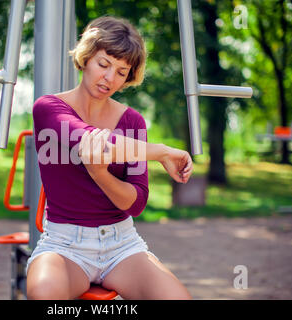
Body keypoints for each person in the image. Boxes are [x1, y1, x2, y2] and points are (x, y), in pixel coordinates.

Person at [27, 16, 193, 300]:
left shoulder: (133, 122)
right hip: (64, 245)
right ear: (87, 58)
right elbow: (96, 142)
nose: (109, 78)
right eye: (103, 64)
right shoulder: (49, 108)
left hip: (122, 245)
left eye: (121, 71)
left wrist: (99, 174)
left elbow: (136, 203)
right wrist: (161, 151)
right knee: (44, 295)